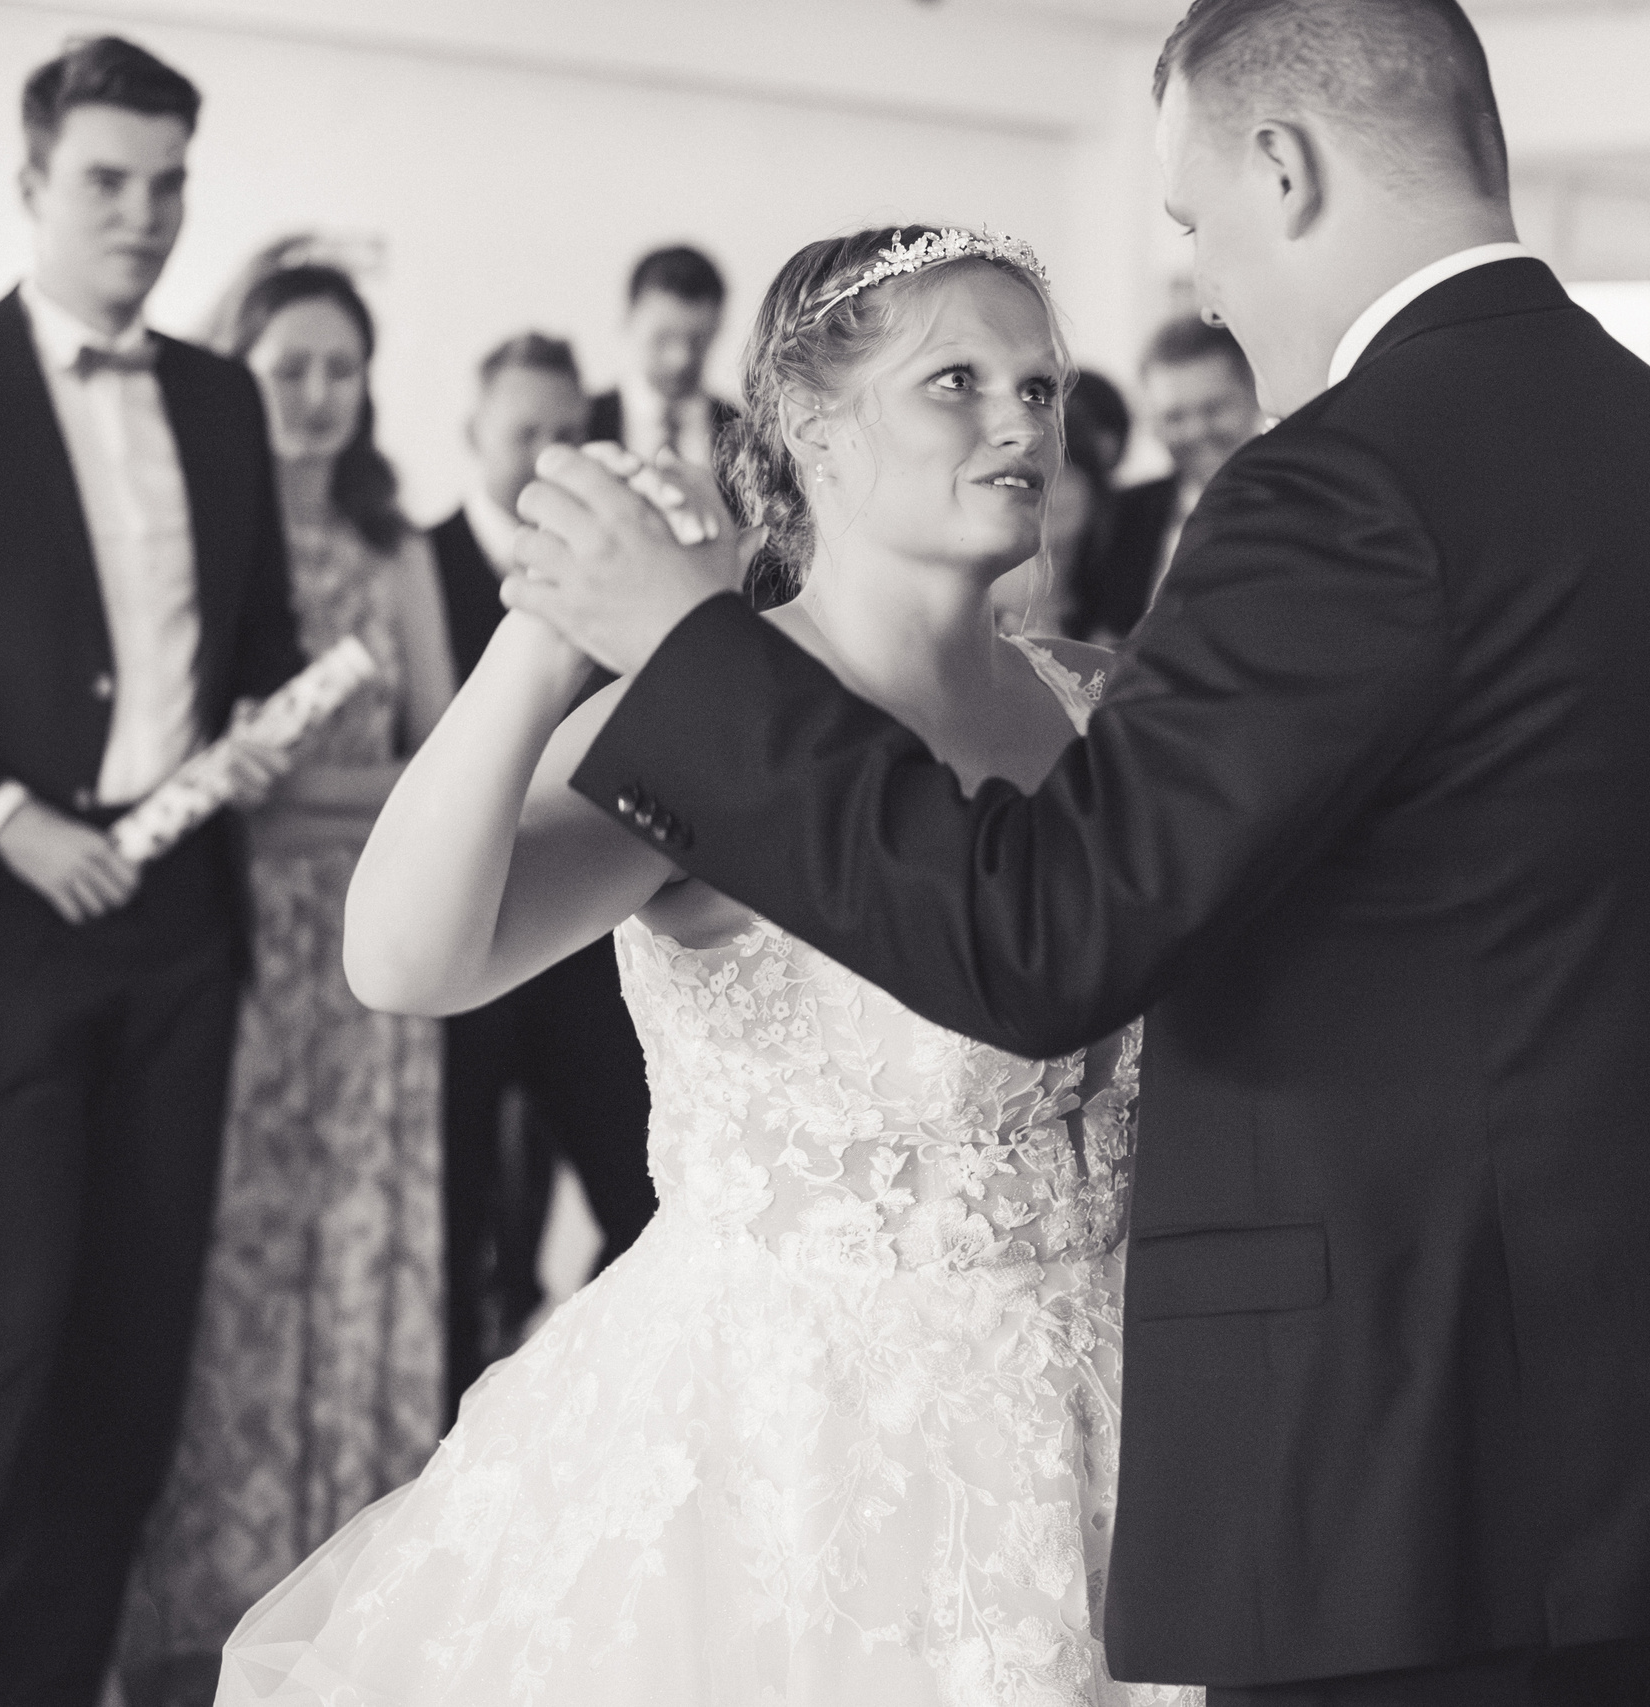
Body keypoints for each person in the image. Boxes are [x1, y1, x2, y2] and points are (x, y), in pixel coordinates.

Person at [505, 0, 1650, 1699]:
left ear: (1284, 167)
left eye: (1191, 221)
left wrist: (695, 660)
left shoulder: (1344, 481)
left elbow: (1047, 939)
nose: (1196, 280)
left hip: (1462, 1485)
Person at [215, 228, 1179, 1706]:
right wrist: (544, 644)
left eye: (1041, 387)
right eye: (959, 381)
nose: (1021, 422)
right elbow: (408, 955)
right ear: (812, 430)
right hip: (795, 1474)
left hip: (1114, 1436)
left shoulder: (1100, 704)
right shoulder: (703, 720)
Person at [0, 36, 305, 1706]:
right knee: (1, 1355)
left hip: (181, 932)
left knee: (127, 1375)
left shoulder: (222, 395)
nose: (144, 215)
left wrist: (263, 733)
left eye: (168, 184)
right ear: (33, 183)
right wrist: (3, 817)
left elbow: (259, 651)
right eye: (107, 180)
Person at [118, 260, 457, 1704]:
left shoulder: (392, 545)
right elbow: (189, 786)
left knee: (361, 1255)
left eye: (343, 368)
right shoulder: (194, 535)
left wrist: (303, 796)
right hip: (235, 942)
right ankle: (198, 1609)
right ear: (238, 368)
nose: (319, 397)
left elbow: (446, 756)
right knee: (233, 1270)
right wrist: (304, 800)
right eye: (291, 367)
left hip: (373, 958)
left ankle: (347, 1608)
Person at [427, 331, 657, 1410]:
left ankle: (577, 1405)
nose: (548, 454)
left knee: (642, 1191)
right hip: (456, 951)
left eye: (570, 431)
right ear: (475, 435)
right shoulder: (416, 562)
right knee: (453, 1220)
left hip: (582, 946)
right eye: (525, 431)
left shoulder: (624, 580)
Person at [1065, 317, 1261, 643]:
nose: (1197, 431)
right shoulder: (1120, 514)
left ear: (1254, 397)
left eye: (1214, 409)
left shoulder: (1307, 506)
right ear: (1152, 422)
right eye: (1175, 416)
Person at [994, 369, 1131, 637]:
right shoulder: (990, 599)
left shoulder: (1118, 582)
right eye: (1033, 479)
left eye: (1065, 476)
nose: (1050, 494)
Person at [587, 244, 737, 467]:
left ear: (718, 327)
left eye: (698, 340)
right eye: (662, 338)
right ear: (628, 319)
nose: (681, 358)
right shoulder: (581, 421)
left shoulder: (746, 429)